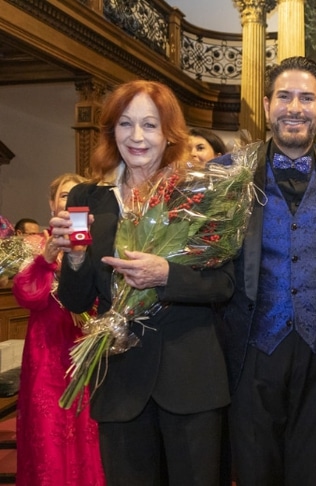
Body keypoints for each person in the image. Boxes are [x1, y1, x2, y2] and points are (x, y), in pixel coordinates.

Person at [50, 80, 232, 486]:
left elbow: (224, 284)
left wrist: (167, 275)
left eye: (149, 125)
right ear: (111, 130)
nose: (136, 137)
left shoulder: (197, 194)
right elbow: (77, 299)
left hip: (190, 377)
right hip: (119, 380)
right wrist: (75, 259)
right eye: (125, 124)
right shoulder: (88, 197)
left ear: (169, 133)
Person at [220, 56, 316, 486]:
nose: (295, 107)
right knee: (253, 469)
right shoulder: (231, 172)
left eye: (307, 98)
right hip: (251, 345)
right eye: (284, 96)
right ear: (267, 106)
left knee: (314, 468)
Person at [13, 172, 105, 486]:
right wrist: (47, 257)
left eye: (76, 195)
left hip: (88, 352)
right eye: (64, 195)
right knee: (48, 436)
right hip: (47, 353)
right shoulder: (35, 244)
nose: (70, 200)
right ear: (52, 204)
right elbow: (28, 296)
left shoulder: (100, 242)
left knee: (91, 431)